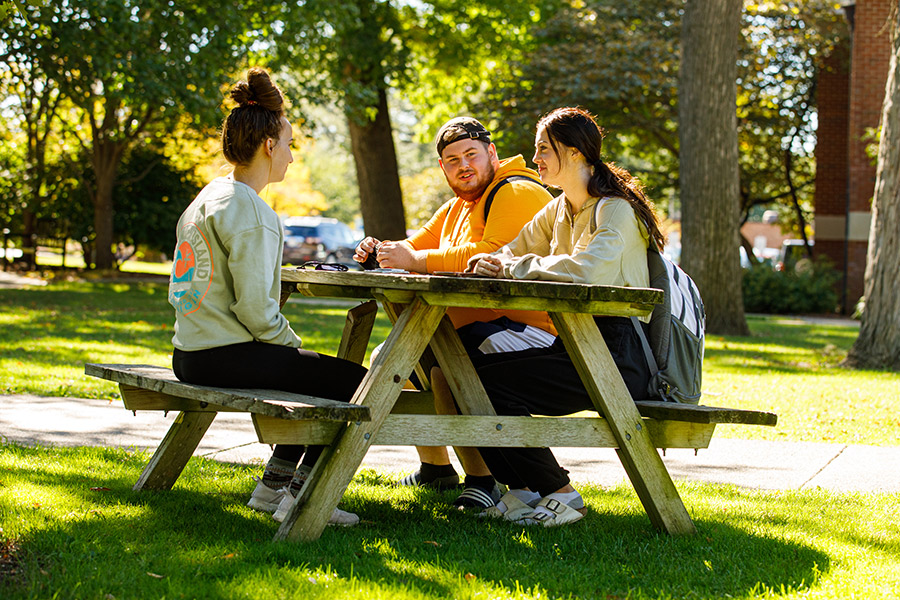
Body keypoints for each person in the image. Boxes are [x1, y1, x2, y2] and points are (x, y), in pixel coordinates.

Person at [168, 67, 364, 527]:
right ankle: (305, 496)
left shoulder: (210, 197)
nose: (293, 158)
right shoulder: (252, 212)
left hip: (189, 352)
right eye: (290, 145)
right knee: (353, 384)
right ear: (269, 146)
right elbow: (256, 310)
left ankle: (272, 487)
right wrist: (289, 342)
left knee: (308, 375)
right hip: (222, 355)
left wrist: (289, 354)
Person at [466, 106, 666, 527]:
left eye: (544, 149)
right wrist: (491, 261)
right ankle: (521, 490)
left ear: (575, 153)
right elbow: (514, 250)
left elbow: (585, 270)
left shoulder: (615, 211)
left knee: (490, 382)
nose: (535, 158)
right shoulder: (559, 209)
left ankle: (561, 495)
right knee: (470, 370)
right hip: (576, 346)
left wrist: (512, 268)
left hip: (618, 358)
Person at [354, 117, 555, 510]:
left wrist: (415, 258)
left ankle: (482, 478)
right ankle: (436, 469)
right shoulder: (456, 208)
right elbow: (413, 249)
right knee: (389, 357)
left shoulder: (516, 192)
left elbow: (493, 252)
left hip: (528, 328)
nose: (463, 165)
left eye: (471, 155)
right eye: (451, 160)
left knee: (448, 365)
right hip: (479, 327)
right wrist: (379, 250)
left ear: (492, 154)